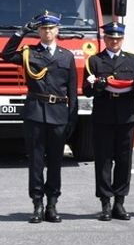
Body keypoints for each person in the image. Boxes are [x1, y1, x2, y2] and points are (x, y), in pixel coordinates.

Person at [2, 11, 78, 223]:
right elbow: (6, 55)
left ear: (57, 30)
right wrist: (20, 33)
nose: (47, 32)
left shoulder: (66, 56)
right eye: (43, 28)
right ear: (38, 31)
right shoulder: (29, 53)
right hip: (35, 112)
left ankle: (52, 205)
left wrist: (73, 118)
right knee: (36, 161)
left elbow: (72, 91)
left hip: (59, 114)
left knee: (55, 161)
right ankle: (37, 204)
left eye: (51, 28)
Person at [84, 21, 134, 220]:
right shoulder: (95, 61)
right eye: (111, 38)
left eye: (118, 38)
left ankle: (119, 202)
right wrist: (99, 86)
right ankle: (105, 202)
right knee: (103, 160)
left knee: (124, 160)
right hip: (104, 115)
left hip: (126, 115)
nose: (114, 41)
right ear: (105, 39)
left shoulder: (133, 60)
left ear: (122, 39)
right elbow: (87, 90)